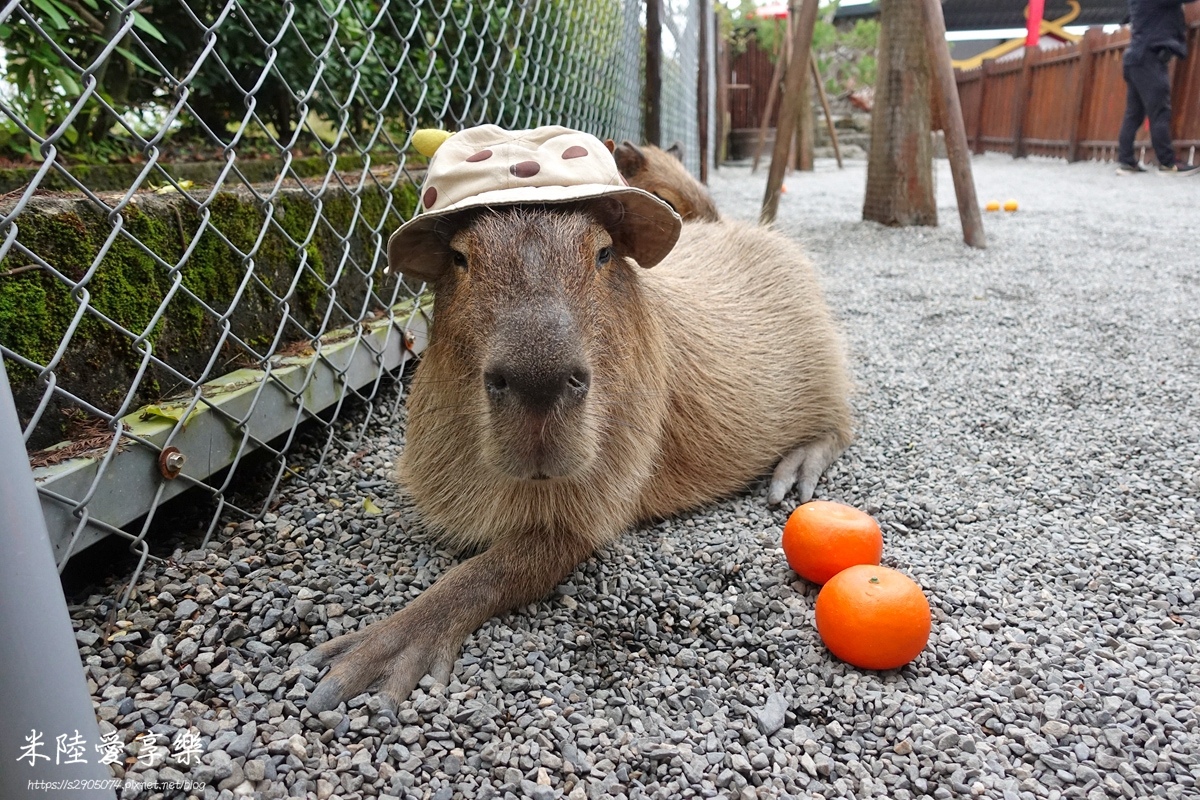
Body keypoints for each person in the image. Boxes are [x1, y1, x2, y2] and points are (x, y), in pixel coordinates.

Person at [1116, 0, 1200, 176]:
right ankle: (1168, 164)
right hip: (1149, 59)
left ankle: (1126, 162)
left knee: (1133, 114)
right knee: (1160, 112)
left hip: (1135, 58)